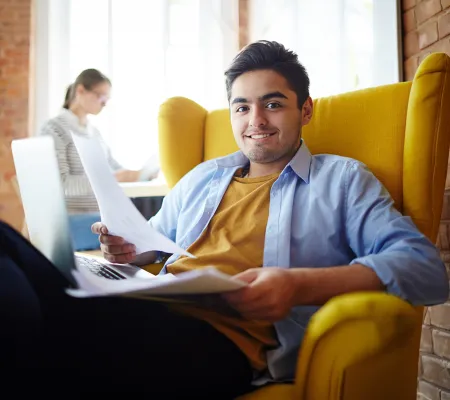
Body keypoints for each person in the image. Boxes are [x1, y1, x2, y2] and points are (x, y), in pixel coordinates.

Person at [1, 41, 448, 397]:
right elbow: (155, 246)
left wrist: (298, 286)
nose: (255, 120)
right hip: (144, 306)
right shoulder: (203, 179)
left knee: (35, 324)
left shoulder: (342, 181)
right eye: (242, 107)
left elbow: (425, 268)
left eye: (273, 104)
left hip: (218, 343)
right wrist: (130, 251)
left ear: (305, 110)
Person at [39, 68, 158, 251]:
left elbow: (114, 167)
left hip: (101, 216)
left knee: (156, 206)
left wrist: (140, 174)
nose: (104, 104)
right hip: (73, 220)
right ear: (80, 91)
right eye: (101, 97)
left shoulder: (94, 133)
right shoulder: (54, 129)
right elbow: (60, 184)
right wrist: (112, 179)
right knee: (147, 227)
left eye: (107, 99)